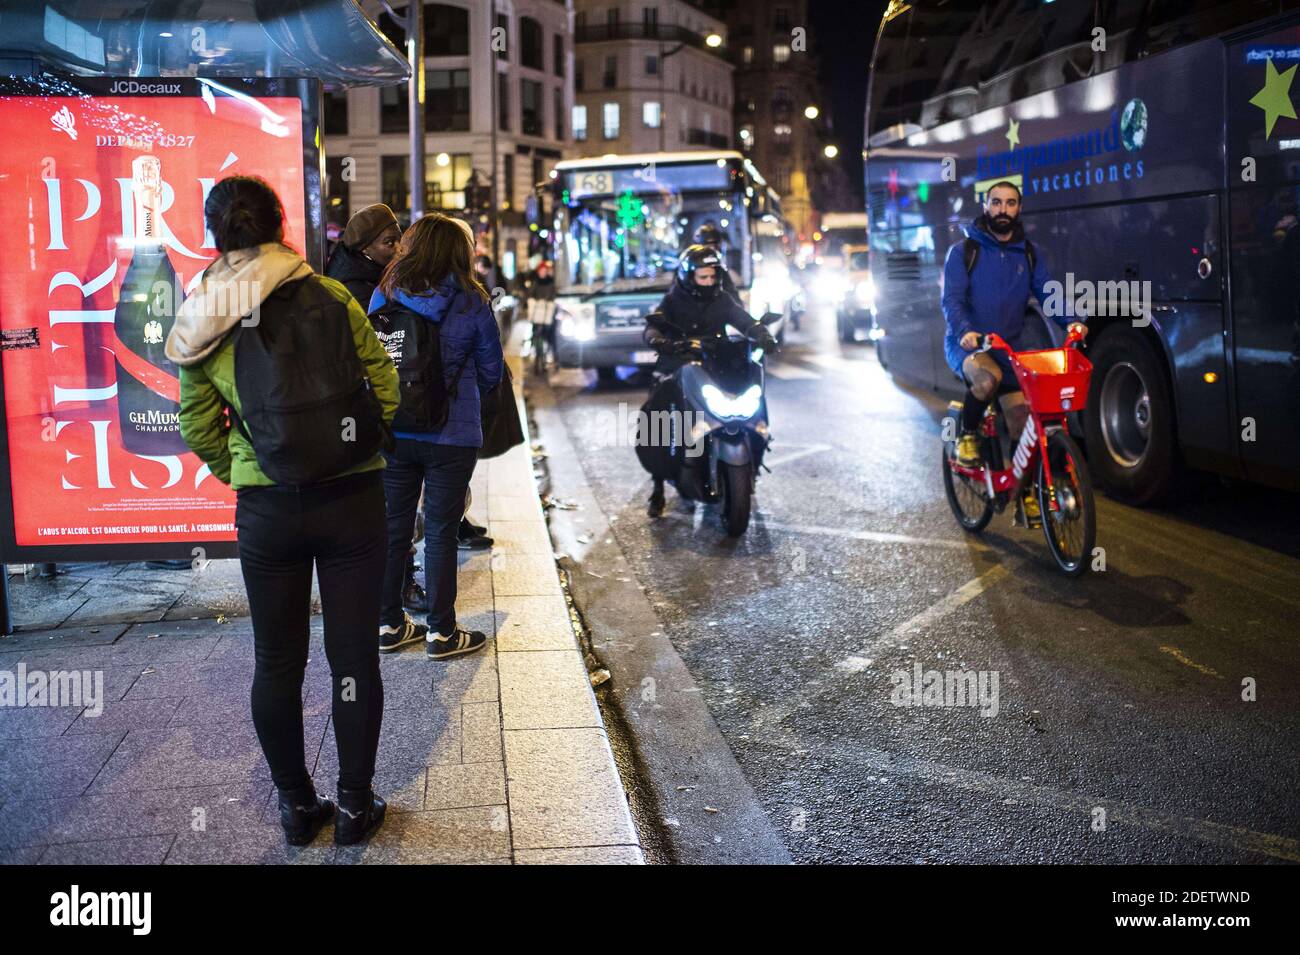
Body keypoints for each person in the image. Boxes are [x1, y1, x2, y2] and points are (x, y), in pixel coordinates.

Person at [166, 176, 399, 847]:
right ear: (280, 224)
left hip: (268, 510)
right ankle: (355, 805)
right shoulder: (327, 293)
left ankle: (298, 807)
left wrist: (246, 466)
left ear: (217, 233)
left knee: (277, 662)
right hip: (353, 498)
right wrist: (360, 447)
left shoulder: (207, 313)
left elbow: (196, 422)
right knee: (354, 657)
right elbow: (384, 386)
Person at [368, 214, 505, 658]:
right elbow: (491, 372)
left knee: (393, 527)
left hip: (395, 430)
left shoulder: (384, 291)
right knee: (443, 530)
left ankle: (388, 624)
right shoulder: (472, 301)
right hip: (452, 435)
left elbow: (370, 359)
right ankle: (441, 633)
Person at [941, 180, 1087, 523]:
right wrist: (966, 333)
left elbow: (1048, 292)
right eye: (996, 203)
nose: (1002, 210)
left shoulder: (1029, 252)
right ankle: (967, 436)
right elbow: (952, 301)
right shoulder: (964, 251)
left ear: (1018, 208)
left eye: (1010, 203)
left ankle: (1026, 498)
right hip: (970, 345)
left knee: (1024, 420)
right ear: (986, 206)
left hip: (1009, 347)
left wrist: (1072, 322)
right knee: (987, 379)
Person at [642, 244, 776, 516]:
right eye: (702, 277)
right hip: (682, 362)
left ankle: (759, 438)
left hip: (718, 362)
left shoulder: (723, 299)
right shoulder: (673, 300)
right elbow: (654, 326)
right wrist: (658, 339)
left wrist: (761, 334)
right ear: (688, 277)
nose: (708, 282)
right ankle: (658, 482)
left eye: (712, 277)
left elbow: (744, 320)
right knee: (658, 413)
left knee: (754, 390)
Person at [324, 203, 400, 307]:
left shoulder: (366, 270)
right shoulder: (354, 288)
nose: (400, 248)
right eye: (389, 242)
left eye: (400, 239)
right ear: (365, 249)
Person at [687, 222, 740, 304]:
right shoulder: (685, 270)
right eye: (703, 277)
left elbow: (734, 300)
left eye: (714, 247)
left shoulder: (720, 271)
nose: (709, 281)